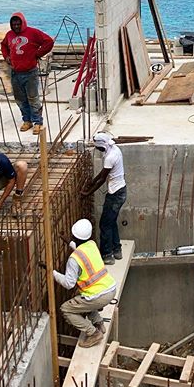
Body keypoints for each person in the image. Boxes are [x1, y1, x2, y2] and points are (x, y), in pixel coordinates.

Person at [53, 218, 117, 348]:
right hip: (110, 288)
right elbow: (80, 248)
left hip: (98, 296)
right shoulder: (92, 245)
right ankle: (98, 322)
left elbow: (69, 283)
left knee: (66, 309)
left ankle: (93, 333)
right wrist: (67, 241)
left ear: (74, 235)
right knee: (81, 299)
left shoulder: (74, 259)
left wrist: (51, 272)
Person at [0, 13, 54, 135]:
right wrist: (6, 56)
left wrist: (38, 54)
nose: (16, 27)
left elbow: (48, 41)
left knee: (33, 98)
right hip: (15, 72)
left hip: (30, 72)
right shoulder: (9, 35)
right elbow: (3, 45)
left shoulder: (33, 33)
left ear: (23, 23)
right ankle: (27, 120)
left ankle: (37, 122)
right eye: (14, 25)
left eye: (18, 24)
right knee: (20, 99)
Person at [81, 132, 127, 265]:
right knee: (111, 221)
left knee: (105, 224)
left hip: (115, 194)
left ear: (103, 145)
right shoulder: (114, 149)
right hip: (120, 190)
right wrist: (91, 181)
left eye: (97, 147)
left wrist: (87, 193)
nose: (97, 149)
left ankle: (107, 255)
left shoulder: (110, 157)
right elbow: (103, 173)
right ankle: (116, 249)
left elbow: (102, 179)